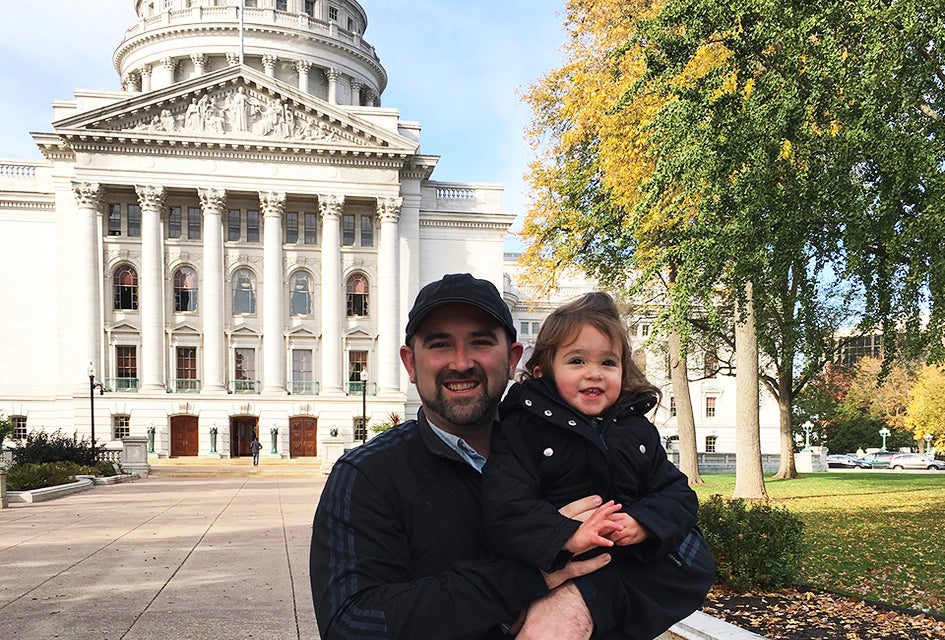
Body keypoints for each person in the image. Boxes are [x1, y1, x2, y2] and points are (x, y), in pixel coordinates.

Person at [310, 274, 645, 640]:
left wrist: (581, 602)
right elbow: (352, 624)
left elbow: (689, 560)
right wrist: (528, 576)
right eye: (439, 344)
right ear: (410, 363)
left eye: (481, 342)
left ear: (513, 357)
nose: (461, 362)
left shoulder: (576, 446)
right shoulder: (366, 476)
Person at [481, 292, 715, 639]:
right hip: (553, 572)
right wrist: (568, 534)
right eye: (577, 361)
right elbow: (504, 507)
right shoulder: (523, 428)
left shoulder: (635, 430)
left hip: (625, 579)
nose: (594, 374)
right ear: (544, 370)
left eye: (608, 363)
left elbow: (676, 494)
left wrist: (644, 522)